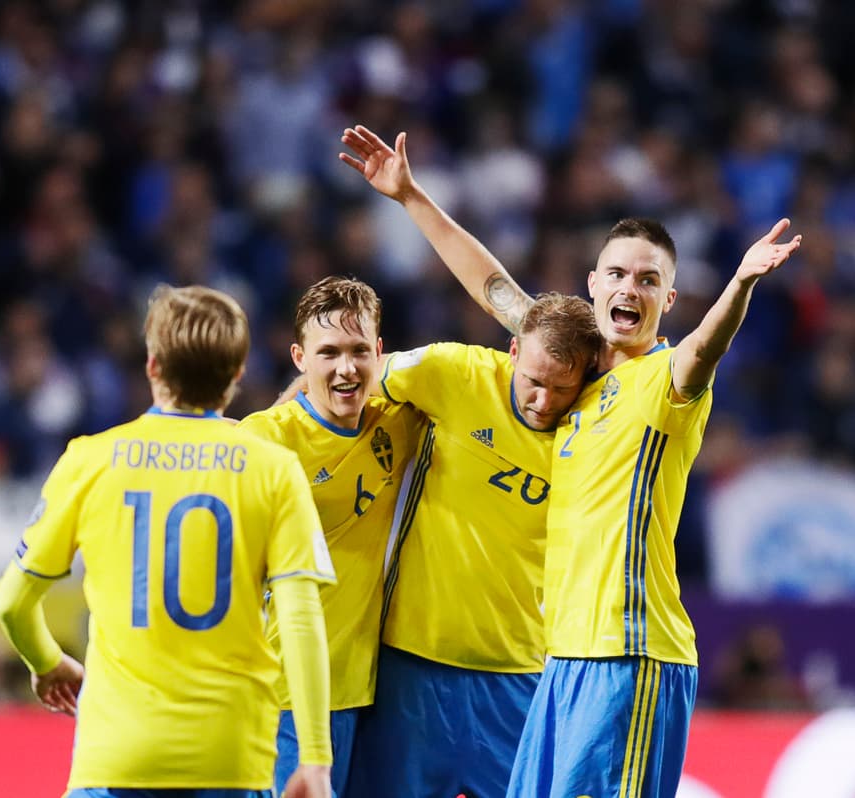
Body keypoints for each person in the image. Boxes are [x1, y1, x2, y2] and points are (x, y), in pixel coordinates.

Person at [339, 124, 801, 797]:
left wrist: (740, 285)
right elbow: (492, 286)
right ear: (593, 284)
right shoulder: (575, 379)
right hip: (562, 658)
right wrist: (410, 197)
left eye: (650, 281)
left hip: (632, 651)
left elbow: (705, 349)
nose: (631, 288)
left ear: (667, 301)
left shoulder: (666, 380)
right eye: (617, 273)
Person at [0, 284, 336, 798]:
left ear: (152, 366)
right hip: (231, 754)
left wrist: (47, 663)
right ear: (237, 375)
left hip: (116, 754)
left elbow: (13, 604)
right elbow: (301, 618)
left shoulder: (90, 460)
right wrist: (314, 760)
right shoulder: (273, 469)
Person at [341, 292, 602, 798]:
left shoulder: (596, 429)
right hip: (412, 667)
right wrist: (268, 431)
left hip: (517, 677)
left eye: (560, 388)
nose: (543, 401)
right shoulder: (453, 373)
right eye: (533, 382)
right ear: (512, 352)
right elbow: (341, 385)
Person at [236, 276, 425, 797]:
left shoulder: (400, 424)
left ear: (380, 353)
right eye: (329, 353)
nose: (347, 368)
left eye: (360, 351)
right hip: (279, 696)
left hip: (362, 694)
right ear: (300, 356)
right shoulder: (263, 440)